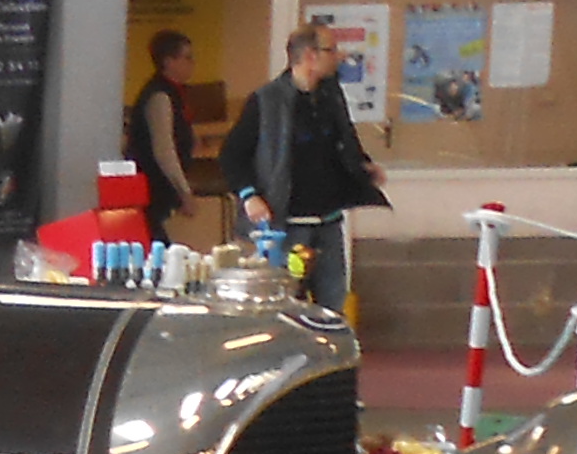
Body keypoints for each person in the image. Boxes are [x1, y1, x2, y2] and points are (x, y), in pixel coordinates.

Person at [224, 19, 387, 304]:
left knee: (332, 302)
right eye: (331, 50)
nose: (339, 56)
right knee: (286, 302)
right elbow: (232, 154)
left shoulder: (330, 95)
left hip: (328, 222)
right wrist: (250, 195)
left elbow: (342, 139)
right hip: (286, 225)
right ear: (310, 56)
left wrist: (362, 165)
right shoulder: (268, 100)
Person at [126, 31, 205, 237]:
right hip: (149, 189)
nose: (192, 63)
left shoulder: (176, 93)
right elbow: (164, 150)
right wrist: (184, 191)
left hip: (158, 191)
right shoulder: (159, 96)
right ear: (169, 62)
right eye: (187, 57)